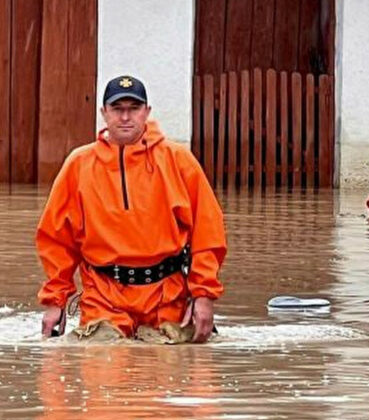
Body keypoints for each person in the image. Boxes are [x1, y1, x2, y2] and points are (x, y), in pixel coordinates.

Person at [35, 75, 226, 343]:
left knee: (176, 373)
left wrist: (203, 296)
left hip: (168, 301)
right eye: (117, 109)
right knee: (102, 370)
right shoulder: (78, 165)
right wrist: (55, 301)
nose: (126, 117)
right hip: (103, 299)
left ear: (147, 112)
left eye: (134, 108)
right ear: (104, 113)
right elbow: (57, 240)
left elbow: (208, 234)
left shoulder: (179, 160)